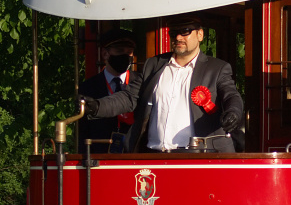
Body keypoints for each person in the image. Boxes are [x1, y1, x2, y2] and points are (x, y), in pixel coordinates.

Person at [82, 15, 243, 152]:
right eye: (174, 33)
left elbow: (231, 96)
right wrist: (96, 106)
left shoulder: (217, 68)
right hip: (155, 156)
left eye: (185, 32)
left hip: (198, 156)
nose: (178, 37)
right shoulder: (154, 64)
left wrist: (233, 113)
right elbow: (129, 98)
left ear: (200, 34)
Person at [77, 28, 137, 152]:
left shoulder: (140, 83)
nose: (124, 56)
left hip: (134, 157)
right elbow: (83, 131)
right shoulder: (88, 87)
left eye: (129, 52)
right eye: (119, 51)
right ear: (105, 54)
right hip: (100, 157)